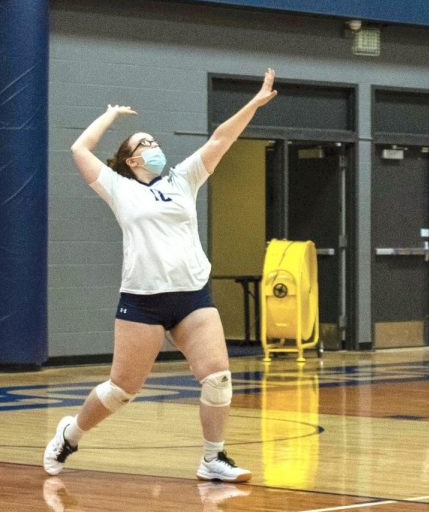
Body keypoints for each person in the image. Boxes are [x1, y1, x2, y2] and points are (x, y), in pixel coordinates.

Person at [43, 68, 278, 482]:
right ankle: (70, 434)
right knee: (121, 390)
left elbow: (221, 138)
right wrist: (111, 116)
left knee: (218, 378)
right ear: (132, 160)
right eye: (144, 144)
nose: (153, 147)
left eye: (154, 141)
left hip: (193, 296)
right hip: (143, 300)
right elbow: (80, 149)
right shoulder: (118, 186)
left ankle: (212, 458)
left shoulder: (183, 178)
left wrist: (253, 104)